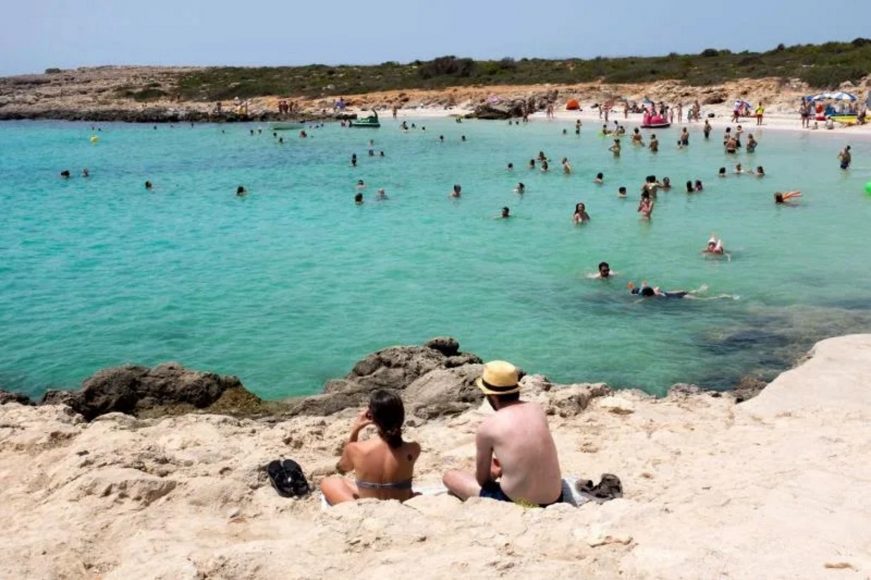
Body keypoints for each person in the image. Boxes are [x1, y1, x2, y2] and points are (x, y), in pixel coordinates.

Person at [442, 361, 564, 507]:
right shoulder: (537, 409)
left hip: (520, 503)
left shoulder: (488, 427)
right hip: (556, 498)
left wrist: (494, 472)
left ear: (492, 396)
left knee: (450, 477)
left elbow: (483, 481)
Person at [320, 389, 420, 505]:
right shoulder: (414, 449)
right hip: (400, 503)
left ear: (371, 415)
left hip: (369, 507)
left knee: (328, 482)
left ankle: (355, 505)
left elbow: (342, 468)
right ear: (401, 416)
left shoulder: (356, 449)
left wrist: (356, 429)